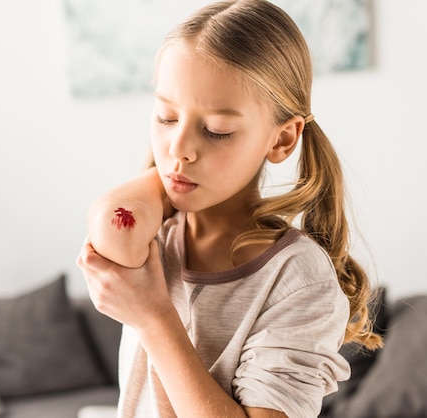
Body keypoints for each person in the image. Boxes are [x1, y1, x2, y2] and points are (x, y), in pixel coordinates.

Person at [76, 1, 383, 417]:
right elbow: (114, 223)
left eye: (216, 130)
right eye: (166, 117)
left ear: (281, 140)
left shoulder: (297, 279)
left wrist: (154, 317)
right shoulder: (157, 232)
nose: (179, 149)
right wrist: (162, 178)